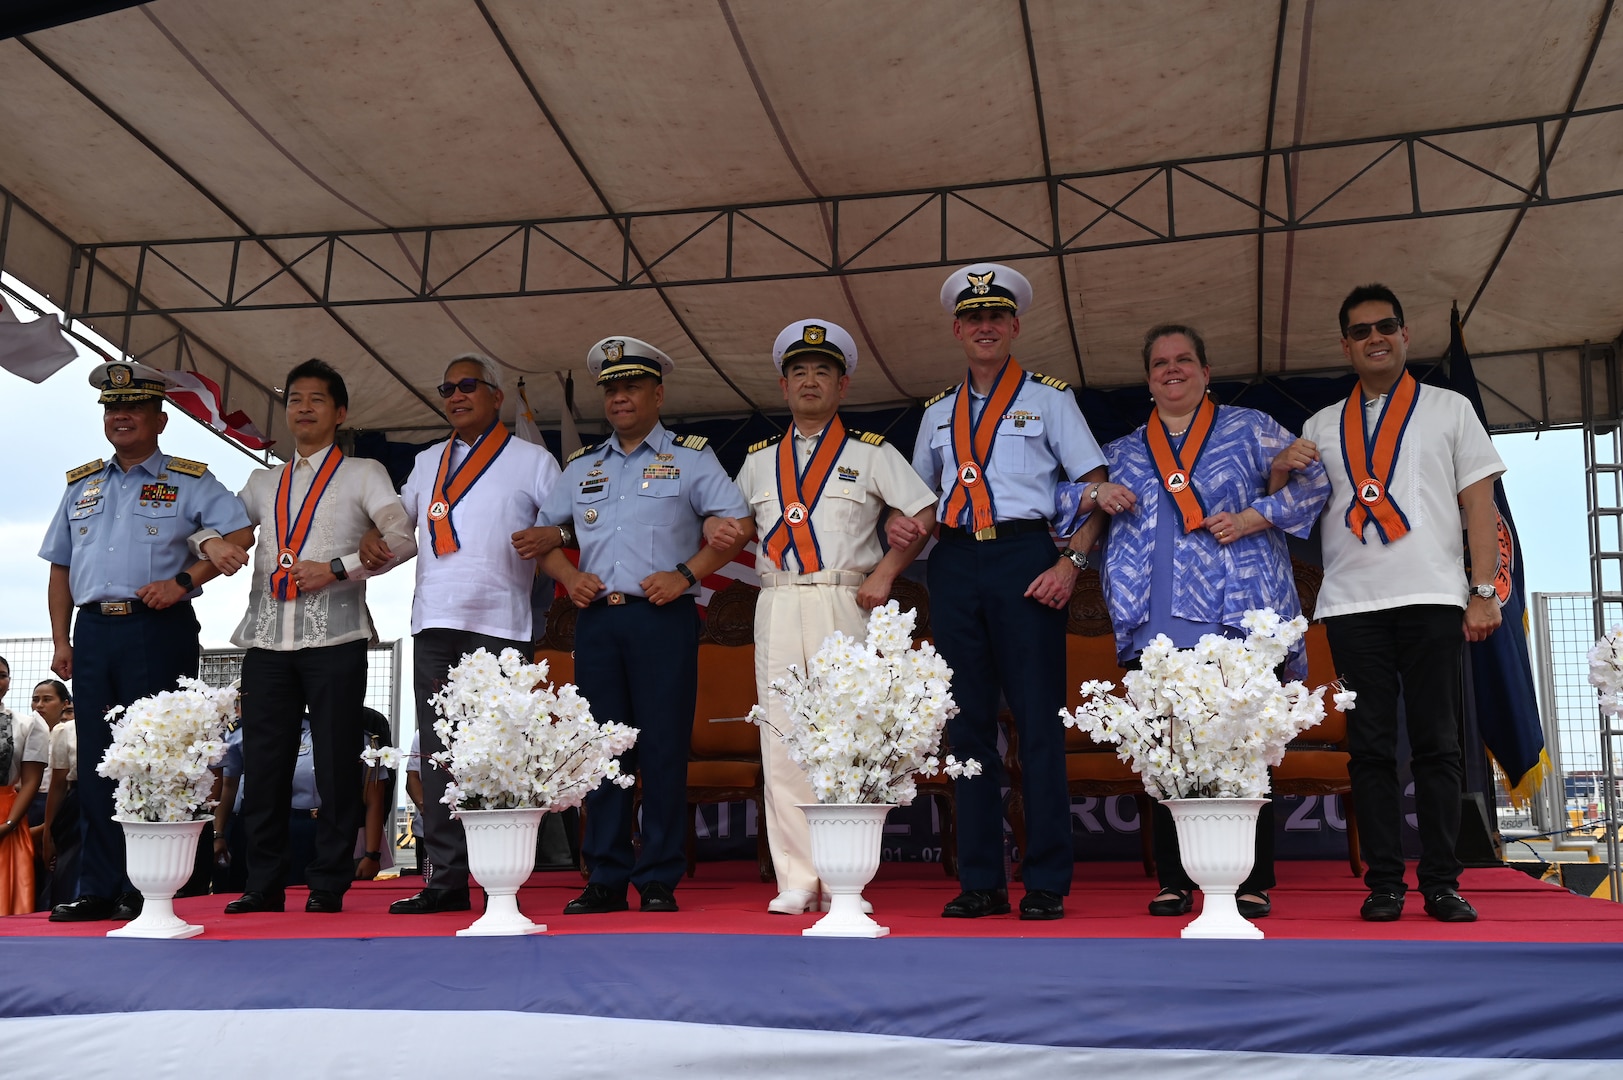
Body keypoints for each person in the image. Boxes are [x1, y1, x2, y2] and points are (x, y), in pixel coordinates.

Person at [1066, 324, 1330, 920]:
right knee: (1166, 748)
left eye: (1184, 359)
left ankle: (1251, 878)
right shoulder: (1126, 450)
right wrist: (1095, 496)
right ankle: (1175, 878)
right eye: (1160, 362)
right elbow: (1064, 505)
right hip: (1154, 618)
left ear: (1206, 372)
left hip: (1236, 611)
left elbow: (1315, 482)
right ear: (1148, 379)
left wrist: (1256, 515)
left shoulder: (1250, 427)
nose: (1172, 369)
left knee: (1242, 746)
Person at [892, 263, 1108, 921]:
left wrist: (1070, 562)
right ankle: (980, 879)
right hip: (954, 563)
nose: (984, 327)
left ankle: (1044, 880)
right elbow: (922, 503)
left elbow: (1094, 487)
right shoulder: (934, 413)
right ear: (957, 329)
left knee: (1038, 724)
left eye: (996, 317)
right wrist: (904, 525)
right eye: (972, 318)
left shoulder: (1048, 397)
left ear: (1013, 326)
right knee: (967, 725)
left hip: (1025, 556)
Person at [709, 319, 936, 915]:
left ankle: (846, 878)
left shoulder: (871, 451)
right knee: (783, 735)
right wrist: (716, 530)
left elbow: (924, 510)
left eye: (823, 372)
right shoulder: (758, 462)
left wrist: (887, 572)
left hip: (845, 597)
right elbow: (729, 529)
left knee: (849, 735)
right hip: (779, 598)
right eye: (799, 373)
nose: (811, 382)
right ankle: (797, 877)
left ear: (844, 385)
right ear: (783, 388)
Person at [1302, 283, 1504, 924]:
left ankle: (1442, 881)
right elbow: (1294, 507)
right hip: (1352, 604)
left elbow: (1480, 507)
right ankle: (1385, 882)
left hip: (1433, 598)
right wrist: (1280, 469)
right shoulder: (1318, 425)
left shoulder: (1450, 409)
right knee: (1369, 749)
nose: (1375, 338)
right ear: (1346, 344)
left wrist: (1483, 591)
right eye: (1360, 331)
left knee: (1439, 746)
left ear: (1405, 333)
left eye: (1385, 326)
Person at [188, 358, 415, 915]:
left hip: (335, 637)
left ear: (340, 412)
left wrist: (338, 568)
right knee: (264, 764)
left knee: (338, 763)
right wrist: (208, 546)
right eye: (294, 399)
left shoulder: (364, 473)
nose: (304, 408)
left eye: (316, 399)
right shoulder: (264, 481)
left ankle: (327, 882)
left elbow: (403, 537)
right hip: (266, 640)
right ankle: (261, 882)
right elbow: (214, 527)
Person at [539, 336, 750, 915]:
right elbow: (544, 539)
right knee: (604, 751)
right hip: (599, 624)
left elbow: (736, 521)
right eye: (611, 388)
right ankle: (604, 875)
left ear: (658, 393)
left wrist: (687, 574)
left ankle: (658, 876)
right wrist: (567, 571)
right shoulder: (582, 466)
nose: (620, 397)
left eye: (632, 385)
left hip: (663, 620)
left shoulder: (690, 457)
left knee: (661, 750)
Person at [39, 361, 251, 923]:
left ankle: (158, 885)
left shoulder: (190, 478)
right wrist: (62, 639)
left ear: (160, 419)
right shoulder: (80, 484)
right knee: (99, 763)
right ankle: (99, 886)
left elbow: (238, 533)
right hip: (94, 631)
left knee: (158, 758)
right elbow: (60, 568)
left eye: (132, 408)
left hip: (157, 628)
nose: (120, 417)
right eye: (112, 409)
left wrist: (184, 581)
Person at [383, 353, 563, 915]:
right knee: (440, 756)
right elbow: (399, 532)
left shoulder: (532, 459)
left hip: (503, 626)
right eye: (447, 387)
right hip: (434, 622)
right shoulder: (426, 460)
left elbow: (573, 522)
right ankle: (445, 881)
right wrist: (357, 556)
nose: (456, 395)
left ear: (495, 396)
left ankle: (501, 879)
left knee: (500, 754)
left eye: (467, 386)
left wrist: (552, 531)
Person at [1, 661, 48, 914]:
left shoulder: (28, 725)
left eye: (1, 675)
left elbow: (31, 780)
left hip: (8, 816)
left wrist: (9, 825)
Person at [28, 679, 72, 909]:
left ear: (65, 703)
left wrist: (47, 829)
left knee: (50, 870)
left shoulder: (69, 736)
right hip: (25, 808)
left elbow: (60, 787)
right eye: (35, 699)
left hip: (55, 810)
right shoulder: (26, 732)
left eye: (47, 699)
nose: (39, 705)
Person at [40, 691, 81, 910]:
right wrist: (48, 835)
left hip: (120, 807)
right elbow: (57, 786)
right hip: (77, 810)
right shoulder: (65, 731)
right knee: (70, 875)